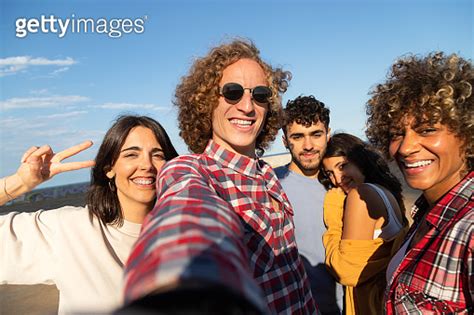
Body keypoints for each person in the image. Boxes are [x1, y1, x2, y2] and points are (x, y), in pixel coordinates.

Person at [122, 39, 318, 314]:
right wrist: (180, 288)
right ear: (205, 102)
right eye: (232, 92)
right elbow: (187, 217)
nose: (248, 106)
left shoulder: (266, 174)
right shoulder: (191, 170)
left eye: (260, 95)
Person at [0, 115, 178, 314]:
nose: (147, 165)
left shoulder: (191, 233)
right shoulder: (69, 230)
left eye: (158, 155)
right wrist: (19, 183)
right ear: (109, 168)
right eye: (131, 155)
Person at [366, 52, 473, 314]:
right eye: (396, 133)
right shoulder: (428, 211)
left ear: (467, 133)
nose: (406, 147)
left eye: (427, 129)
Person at [319, 133, 408, 314]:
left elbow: (345, 270)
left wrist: (334, 210)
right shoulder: (384, 191)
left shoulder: (361, 194)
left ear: (360, 161)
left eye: (342, 166)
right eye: (330, 173)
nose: (337, 179)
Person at [274, 95, 343, 314]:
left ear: (328, 134)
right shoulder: (270, 186)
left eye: (316, 134)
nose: (308, 145)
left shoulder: (344, 182)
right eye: (298, 136)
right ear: (285, 140)